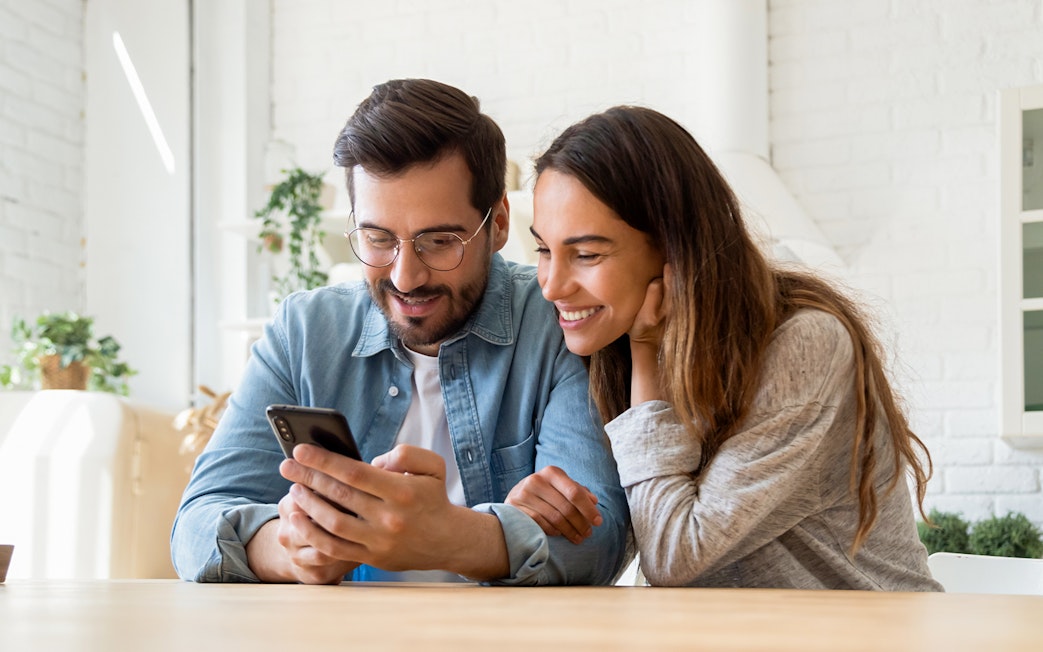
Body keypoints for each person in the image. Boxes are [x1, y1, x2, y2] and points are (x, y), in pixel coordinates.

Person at [170, 79, 629, 585]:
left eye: (439, 241)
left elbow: (600, 540)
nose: (405, 277)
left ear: (498, 224)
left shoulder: (556, 322)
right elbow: (194, 525)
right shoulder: (302, 332)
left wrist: (450, 536)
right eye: (377, 238)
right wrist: (292, 550)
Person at [516, 104, 942, 590]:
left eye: (586, 254)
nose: (550, 286)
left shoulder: (804, 344)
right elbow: (633, 536)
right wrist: (541, 516)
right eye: (544, 251)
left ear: (674, 249)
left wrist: (645, 356)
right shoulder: (609, 350)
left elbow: (674, 556)